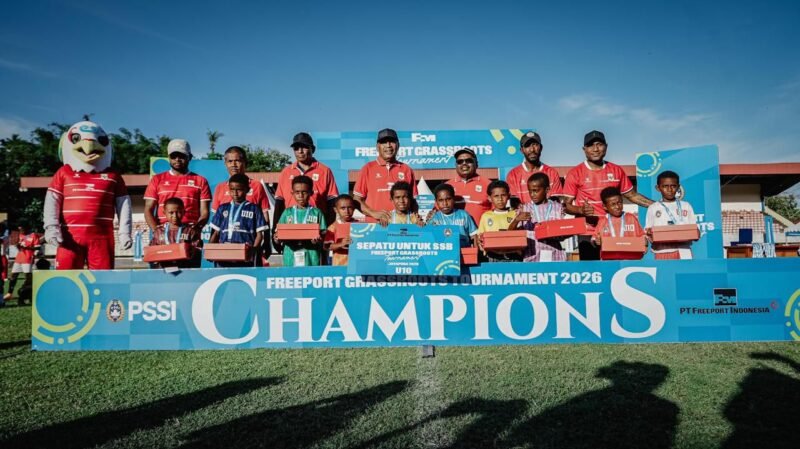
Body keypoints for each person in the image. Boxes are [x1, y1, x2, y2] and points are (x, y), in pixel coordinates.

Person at [43, 121, 132, 270]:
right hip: (69, 236)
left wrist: (125, 233)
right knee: (67, 279)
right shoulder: (63, 172)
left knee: (102, 281)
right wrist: (51, 227)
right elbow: (53, 200)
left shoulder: (113, 175)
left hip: (102, 237)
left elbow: (124, 205)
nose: (89, 146)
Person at [563, 130, 653, 260]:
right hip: (588, 231)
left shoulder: (616, 170)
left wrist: (658, 205)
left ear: (606, 146)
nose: (595, 149)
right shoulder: (575, 173)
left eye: (599, 144)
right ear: (584, 149)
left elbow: (632, 195)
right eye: (591, 145)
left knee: (616, 269)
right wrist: (580, 210)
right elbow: (566, 205)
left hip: (615, 231)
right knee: (592, 272)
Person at [143, 139, 211, 238]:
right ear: (169, 158)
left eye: (182, 156)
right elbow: (148, 209)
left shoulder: (201, 181)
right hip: (163, 233)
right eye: (173, 156)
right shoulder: (157, 179)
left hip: (189, 234)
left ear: (190, 157)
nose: (177, 159)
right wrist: (156, 230)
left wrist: (196, 229)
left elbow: (205, 212)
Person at [274, 132, 339, 228]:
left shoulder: (325, 171)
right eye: (296, 148)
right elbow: (279, 203)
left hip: (316, 228)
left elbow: (332, 203)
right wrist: (275, 228)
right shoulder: (286, 172)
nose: (300, 151)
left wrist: (327, 229)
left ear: (312, 149)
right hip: (290, 227)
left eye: (304, 147)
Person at [353, 128, 417, 223]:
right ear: (377, 146)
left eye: (392, 142)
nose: (388, 145)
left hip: (400, 227)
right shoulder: (367, 168)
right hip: (374, 226)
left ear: (398, 145)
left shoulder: (406, 169)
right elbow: (357, 199)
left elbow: (413, 201)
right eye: (383, 142)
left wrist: (414, 220)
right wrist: (372, 212)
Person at [209, 174, 269, 267]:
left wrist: (254, 250)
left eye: (239, 190)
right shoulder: (222, 208)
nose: (235, 193)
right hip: (224, 254)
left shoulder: (254, 209)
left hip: (246, 254)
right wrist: (210, 249)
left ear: (247, 190)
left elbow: (259, 235)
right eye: (232, 190)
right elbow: (216, 233)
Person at [274, 175, 326, 267]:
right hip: (290, 253)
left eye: (304, 192)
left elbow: (324, 235)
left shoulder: (317, 212)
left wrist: (318, 240)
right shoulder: (287, 212)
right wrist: (277, 238)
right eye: (297, 192)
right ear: (292, 193)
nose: (301, 196)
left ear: (311, 193)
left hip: (311, 254)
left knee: (310, 278)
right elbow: (278, 234)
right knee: (291, 278)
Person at [644, 170, 698, 260]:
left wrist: (696, 233)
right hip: (662, 251)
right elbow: (648, 231)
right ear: (658, 188)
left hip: (683, 250)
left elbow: (694, 230)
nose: (669, 189)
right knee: (664, 274)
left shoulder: (686, 206)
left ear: (678, 187)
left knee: (684, 273)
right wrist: (649, 233)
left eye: (673, 186)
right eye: (665, 186)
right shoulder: (653, 208)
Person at [507, 131, 564, 207]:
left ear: (541, 148)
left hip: (547, 218)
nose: (532, 149)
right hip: (523, 217)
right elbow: (513, 204)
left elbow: (557, 202)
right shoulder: (513, 175)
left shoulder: (552, 173)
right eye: (527, 146)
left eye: (535, 145)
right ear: (522, 150)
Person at [518, 173, 567, 262]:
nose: (532, 194)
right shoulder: (524, 208)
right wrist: (517, 219)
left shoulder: (558, 207)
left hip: (554, 255)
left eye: (536, 191)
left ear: (547, 189)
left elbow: (563, 231)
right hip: (532, 256)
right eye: (530, 191)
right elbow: (513, 231)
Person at [477, 180, 527, 262]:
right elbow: (481, 237)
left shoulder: (515, 214)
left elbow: (520, 235)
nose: (500, 199)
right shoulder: (486, 216)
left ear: (508, 196)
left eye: (503, 195)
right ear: (489, 198)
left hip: (513, 256)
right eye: (496, 196)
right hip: (493, 256)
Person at [593, 187, 646, 260]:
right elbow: (594, 239)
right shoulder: (602, 221)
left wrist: (644, 241)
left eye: (619, 203)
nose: (617, 207)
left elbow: (642, 236)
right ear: (605, 206)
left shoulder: (631, 218)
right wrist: (596, 241)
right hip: (610, 260)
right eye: (613, 204)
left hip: (630, 259)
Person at [149, 198, 203, 269]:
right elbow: (152, 253)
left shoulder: (190, 231)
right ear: (164, 212)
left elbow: (197, 250)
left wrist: (190, 252)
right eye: (171, 213)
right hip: (163, 270)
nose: (175, 216)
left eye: (178, 212)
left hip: (185, 269)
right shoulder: (159, 232)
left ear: (184, 212)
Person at [446, 148, 491, 225]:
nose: (464, 164)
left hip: (481, 234)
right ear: (456, 165)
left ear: (476, 164)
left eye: (469, 161)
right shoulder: (447, 186)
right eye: (460, 162)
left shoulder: (489, 185)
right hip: (455, 235)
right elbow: (437, 211)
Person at [3, 224, 40, 305]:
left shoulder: (33, 235)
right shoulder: (20, 235)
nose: (20, 231)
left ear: (26, 228)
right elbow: (18, 246)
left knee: (28, 278)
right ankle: (9, 293)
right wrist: (18, 246)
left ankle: (26, 294)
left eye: (22, 229)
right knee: (13, 276)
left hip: (28, 258)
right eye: (19, 229)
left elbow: (38, 247)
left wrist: (27, 248)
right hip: (19, 258)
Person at [323, 194, 358, 266]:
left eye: (350, 207)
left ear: (354, 208)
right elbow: (327, 246)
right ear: (336, 210)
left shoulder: (360, 225)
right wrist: (341, 244)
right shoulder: (332, 227)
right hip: (339, 264)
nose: (347, 211)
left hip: (357, 264)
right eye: (343, 208)